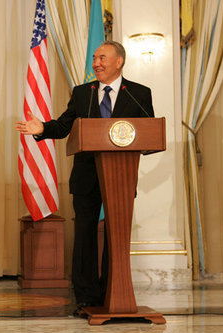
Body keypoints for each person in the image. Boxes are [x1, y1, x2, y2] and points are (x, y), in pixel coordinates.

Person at [16, 41, 153, 315]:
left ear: (119, 61)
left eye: (102, 57)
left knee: (117, 234)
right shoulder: (83, 93)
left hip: (121, 177)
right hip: (87, 175)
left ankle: (114, 290)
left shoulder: (138, 93)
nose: (96, 63)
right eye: (94, 58)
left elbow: (148, 130)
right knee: (85, 235)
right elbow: (64, 125)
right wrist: (42, 127)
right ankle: (87, 297)